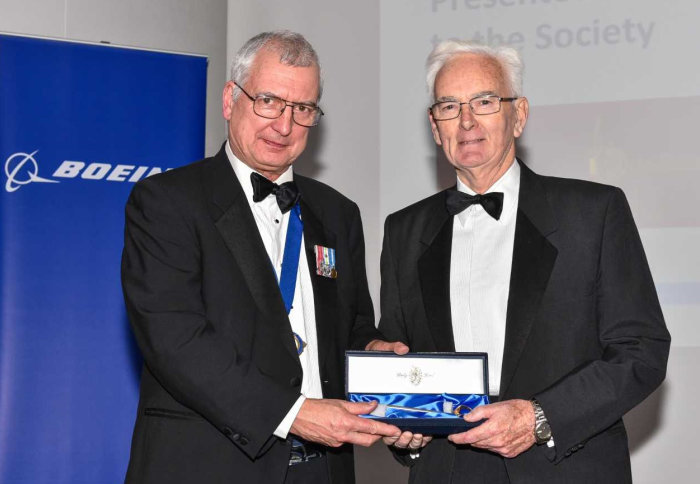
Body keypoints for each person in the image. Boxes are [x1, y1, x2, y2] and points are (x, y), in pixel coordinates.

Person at [378, 40, 670, 483]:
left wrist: (539, 417)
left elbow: (641, 350)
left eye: (485, 102)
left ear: (519, 115)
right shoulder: (404, 230)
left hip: (564, 468)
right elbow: (397, 358)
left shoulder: (593, 213)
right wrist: (402, 429)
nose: (467, 120)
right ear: (435, 127)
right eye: (450, 106)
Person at [121, 30, 404, 484]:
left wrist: (376, 353)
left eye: (302, 109)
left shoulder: (338, 213)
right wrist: (292, 414)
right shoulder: (167, 201)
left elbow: (351, 326)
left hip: (324, 469)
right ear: (230, 100)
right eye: (268, 101)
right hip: (210, 467)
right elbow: (175, 339)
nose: (284, 125)